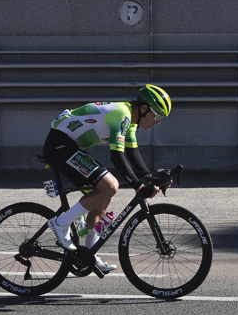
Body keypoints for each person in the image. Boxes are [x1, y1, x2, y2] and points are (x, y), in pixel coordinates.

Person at [42, 84, 171, 277]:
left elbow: (132, 153)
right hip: (59, 145)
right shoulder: (122, 114)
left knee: (103, 196)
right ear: (144, 109)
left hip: (68, 146)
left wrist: (152, 179)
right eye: (158, 116)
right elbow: (117, 157)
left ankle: (89, 255)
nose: (158, 122)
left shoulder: (130, 121)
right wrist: (138, 185)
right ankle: (60, 223)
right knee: (109, 186)